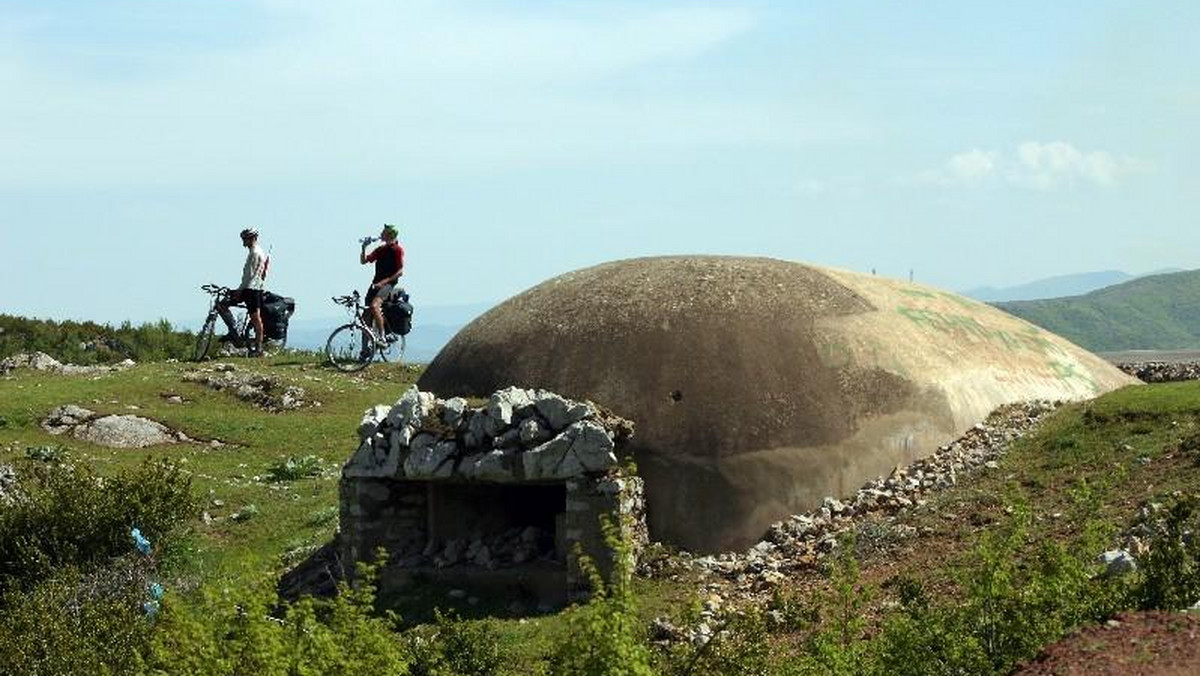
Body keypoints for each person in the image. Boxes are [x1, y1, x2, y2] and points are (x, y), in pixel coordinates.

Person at [216, 228, 268, 356]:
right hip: (252, 288)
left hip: (251, 289)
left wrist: (239, 290)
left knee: (255, 318)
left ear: (253, 239)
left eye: (246, 239)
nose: (244, 241)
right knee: (223, 305)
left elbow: (249, 276)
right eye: (243, 239)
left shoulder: (255, 253)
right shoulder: (257, 252)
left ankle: (258, 348)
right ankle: (234, 333)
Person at [360, 223, 405, 345]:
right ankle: (365, 350)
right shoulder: (381, 250)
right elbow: (363, 261)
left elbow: (400, 272)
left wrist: (384, 282)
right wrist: (364, 247)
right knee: (366, 317)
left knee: (374, 306)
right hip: (375, 285)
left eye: (383, 232)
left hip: (388, 285)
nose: (380, 234)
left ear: (390, 235)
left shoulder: (397, 250)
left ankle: (382, 337)